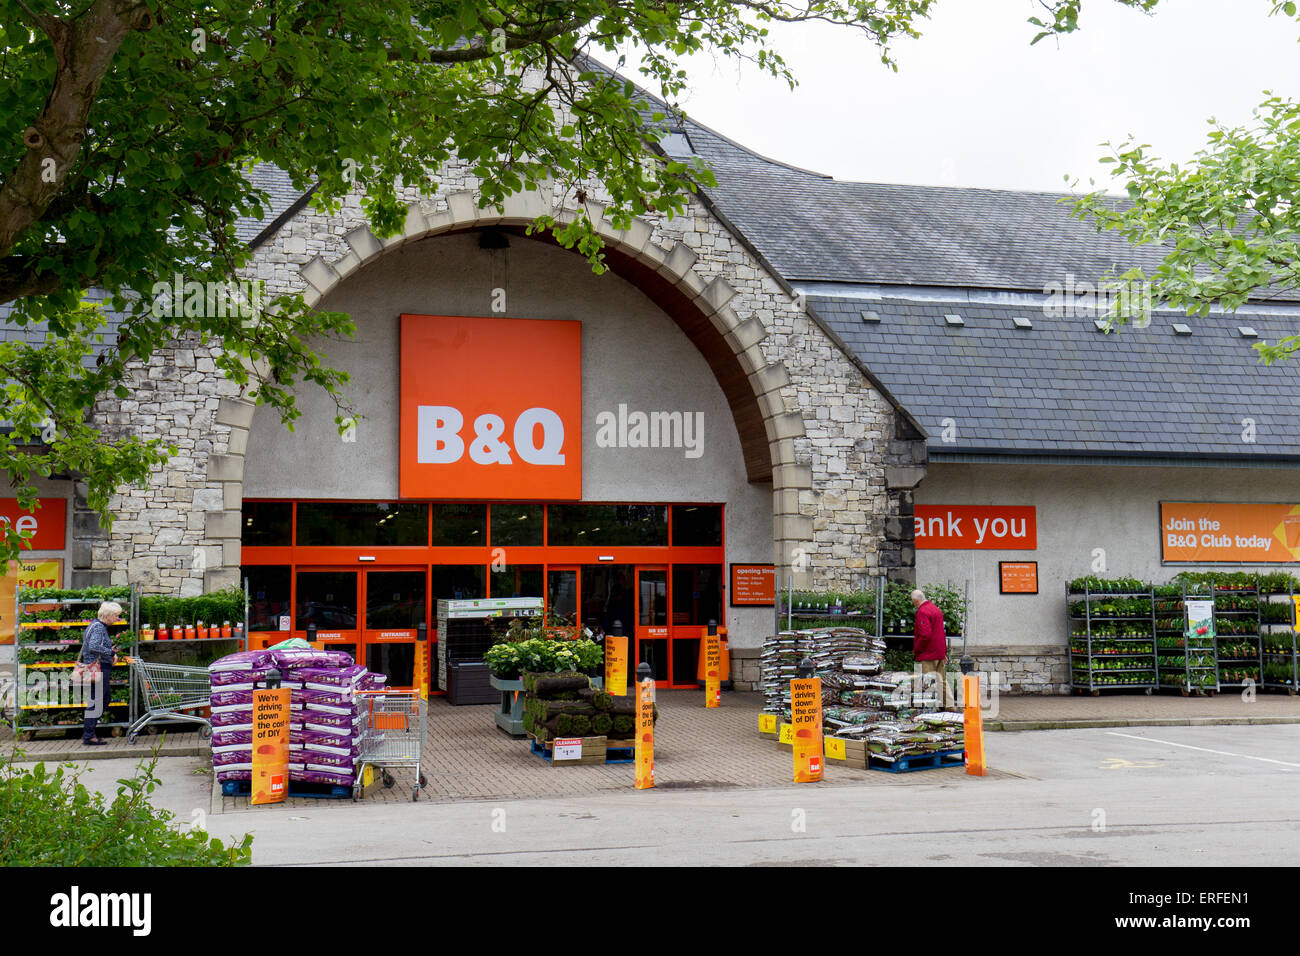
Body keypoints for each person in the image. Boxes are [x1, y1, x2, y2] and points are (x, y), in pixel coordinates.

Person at [79, 601, 121, 746]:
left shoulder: (96, 625)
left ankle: (90, 732)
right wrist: (110, 652)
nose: (117, 619)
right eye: (116, 615)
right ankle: (89, 735)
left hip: (98, 667)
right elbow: (94, 646)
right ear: (108, 615)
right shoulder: (98, 627)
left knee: (102, 698)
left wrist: (110, 652)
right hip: (98, 668)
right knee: (98, 701)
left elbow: (96, 645)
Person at [911, 589, 955, 709]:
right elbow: (941, 633)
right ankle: (950, 705)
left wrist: (917, 649)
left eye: (913, 602)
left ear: (916, 600)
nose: (913, 604)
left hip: (927, 653)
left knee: (927, 682)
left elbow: (925, 635)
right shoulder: (936, 609)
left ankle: (928, 708)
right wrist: (944, 652)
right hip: (939, 652)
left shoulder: (922, 612)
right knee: (942, 681)